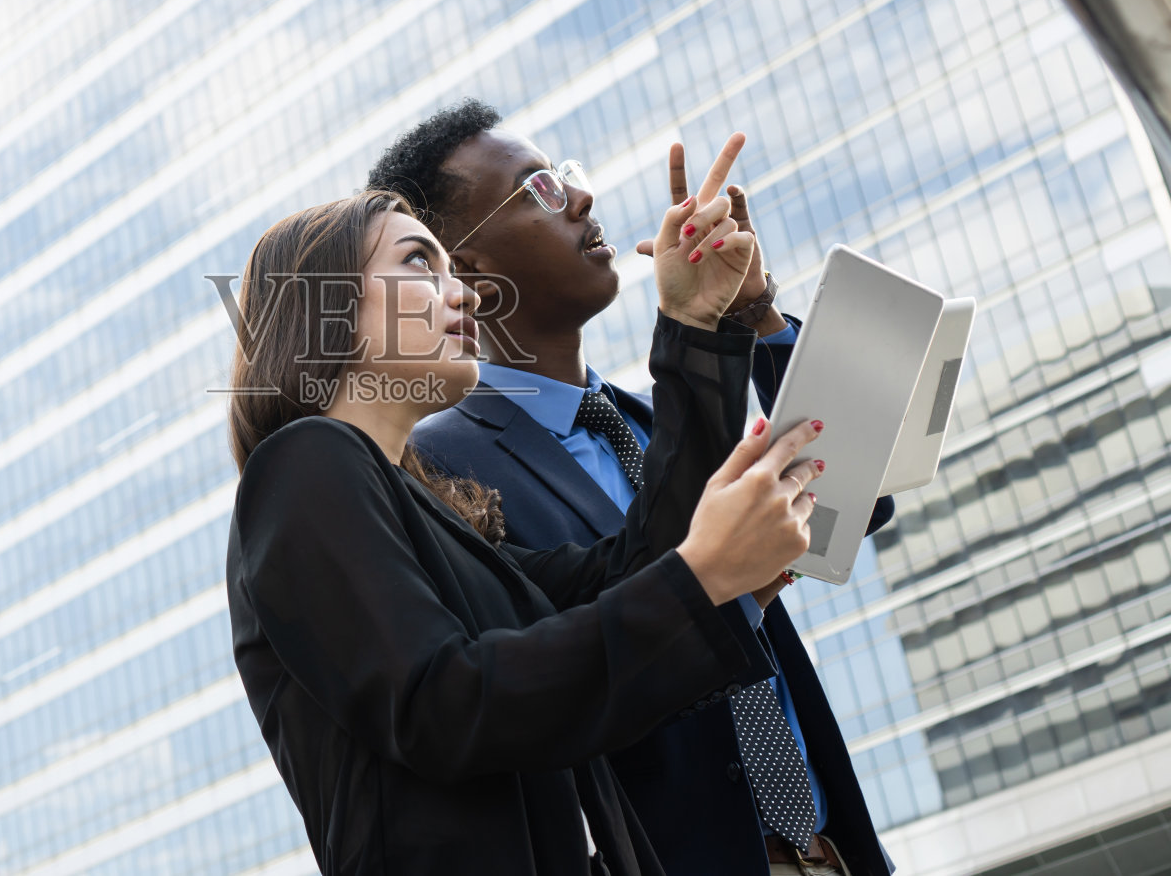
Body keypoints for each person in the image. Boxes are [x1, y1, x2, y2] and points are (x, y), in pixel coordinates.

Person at [225, 187, 825, 875]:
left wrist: (692, 323)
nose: (465, 296)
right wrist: (703, 577)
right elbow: (442, 702)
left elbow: (640, 564)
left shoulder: (445, 522)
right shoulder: (303, 463)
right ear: (323, 304)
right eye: (420, 263)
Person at [366, 100, 896, 876]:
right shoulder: (443, 475)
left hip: (831, 850)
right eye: (539, 189)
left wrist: (753, 313)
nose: (581, 198)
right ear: (466, 269)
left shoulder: (668, 416)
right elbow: (568, 674)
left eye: (568, 175)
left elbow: (852, 505)